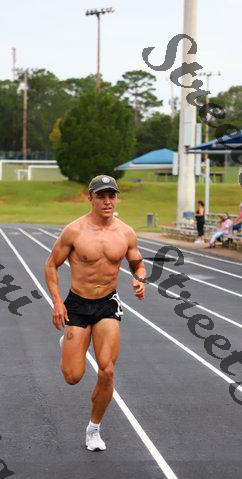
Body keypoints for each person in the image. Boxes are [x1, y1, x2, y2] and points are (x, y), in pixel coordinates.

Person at [44, 175, 146, 452]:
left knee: (107, 370)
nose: (107, 201)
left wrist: (140, 279)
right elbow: (51, 265)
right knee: (72, 376)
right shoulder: (74, 231)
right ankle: (68, 342)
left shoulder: (125, 233)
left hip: (107, 305)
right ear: (90, 198)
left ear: (117, 198)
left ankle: (94, 428)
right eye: (101, 196)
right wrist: (57, 302)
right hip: (77, 304)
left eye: (111, 195)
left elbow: (137, 264)